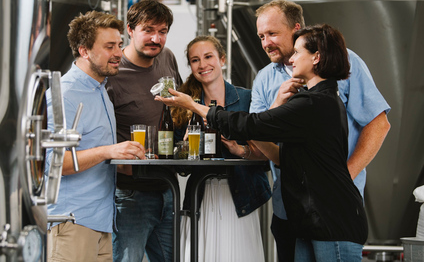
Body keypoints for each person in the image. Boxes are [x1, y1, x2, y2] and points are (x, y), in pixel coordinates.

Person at [157, 24, 371, 262]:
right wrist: (245, 147)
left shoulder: (314, 103)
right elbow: (281, 155)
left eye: (298, 53)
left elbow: (253, 123)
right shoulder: (312, 100)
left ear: (317, 57)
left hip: (333, 221)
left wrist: (194, 106)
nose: (292, 59)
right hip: (309, 220)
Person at [250, 0, 391, 261]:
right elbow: (258, 133)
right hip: (288, 208)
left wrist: (342, 179)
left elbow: (379, 123)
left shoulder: (345, 65)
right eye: (261, 36)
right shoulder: (265, 78)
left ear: (296, 28)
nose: (266, 43)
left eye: (272, 33)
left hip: (334, 208)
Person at [45, 11, 146, 262]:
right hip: (72, 223)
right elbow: (53, 165)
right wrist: (108, 151)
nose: (118, 53)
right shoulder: (64, 95)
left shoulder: (100, 90)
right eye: (109, 46)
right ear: (84, 51)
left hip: (102, 223)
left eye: (119, 45)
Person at [172, 36, 271, 261]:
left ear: (222, 59)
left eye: (208, 57)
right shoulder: (185, 106)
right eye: (195, 60)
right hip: (200, 196)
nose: (202, 64)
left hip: (241, 197)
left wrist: (240, 150)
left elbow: (268, 157)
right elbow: (181, 168)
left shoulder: (247, 98)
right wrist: (186, 145)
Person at [105, 0, 182, 262]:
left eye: (162, 31)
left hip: (167, 187)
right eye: (148, 30)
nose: (155, 38)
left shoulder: (167, 58)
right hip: (131, 194)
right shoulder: (113, 73)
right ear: (130, 29)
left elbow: (178, 110)